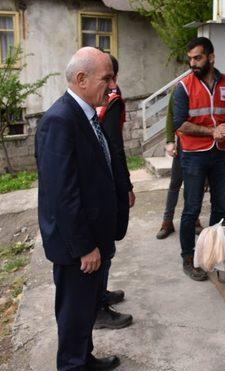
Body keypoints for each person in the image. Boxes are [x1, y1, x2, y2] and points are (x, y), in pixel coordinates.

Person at [35, 47, 121, 371]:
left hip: (92, 237)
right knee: (73, 308)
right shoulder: (60, 120)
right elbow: (62, 194)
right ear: (81, 79)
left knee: (86, 305)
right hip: (76, 244)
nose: (113, 86)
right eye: (107, 79)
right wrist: (84, 246)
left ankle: (84, 357)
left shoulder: (84, 114)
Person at [172, 37, 225, 281]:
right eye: (190, 58)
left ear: (211, 57)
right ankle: (188, 258)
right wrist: (210, 131)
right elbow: (179, 122)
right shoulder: (184, 87)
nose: (192, 63)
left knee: (220, 207)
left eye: (198, 58)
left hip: (221, 153)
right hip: (194, 156)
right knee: (192, 209)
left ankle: (214, 254)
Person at [93, 54, 134, 329]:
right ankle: (98, 307)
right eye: (106, 78)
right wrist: (127, 186)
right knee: (106, 244)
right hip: (107, 183)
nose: (109, 83)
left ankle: (100, 294)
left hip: (100, 180)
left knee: (105, 243)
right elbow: (115, 148)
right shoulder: (112, 100)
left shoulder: (93, 102)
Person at [156, 88, 203, 240]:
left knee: (195, 185)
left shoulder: (204, 90)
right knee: (175, 183)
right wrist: (170, 141)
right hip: (182, 145)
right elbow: (170, 116)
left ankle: (194, 220)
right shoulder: (179, 89)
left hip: (200, 146)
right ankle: (167, 221)